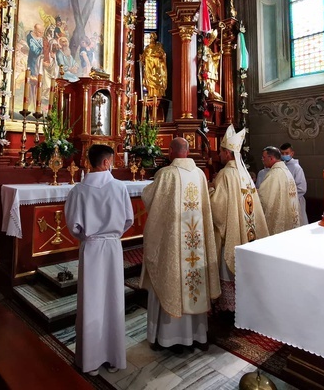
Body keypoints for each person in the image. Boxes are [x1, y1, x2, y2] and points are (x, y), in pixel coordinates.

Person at [140, 137, 220, 351]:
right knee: (195, 282)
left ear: (171, 152)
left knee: (171, 280)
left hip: (174, 245)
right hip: (197, 245)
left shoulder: (166, 174)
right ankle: (197, 335)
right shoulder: (200, 174)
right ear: (187, 151)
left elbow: (150, 199)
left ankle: (168, 338)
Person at [64, 144, 134, 376]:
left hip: (92, 247)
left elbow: (73, 224)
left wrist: (88, 237)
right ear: (106, 162)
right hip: (113, 247)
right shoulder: (119, 187)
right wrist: (113, 235)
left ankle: (91, 360)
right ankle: (114, 357)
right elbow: (128, 219)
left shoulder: (79, 190)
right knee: (114, 300)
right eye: (111, 161)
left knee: (91, 300)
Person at [210, 126, 269, 312]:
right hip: (247, 227)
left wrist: (211, 190)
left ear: (228, 153)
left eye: (220, 151)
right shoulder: (244, 173)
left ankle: (230, 307)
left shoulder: (225, 174)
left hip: (233, 230)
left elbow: (217, 207)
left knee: (228, 264)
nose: (219, 155)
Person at [258, 146, 300, 234]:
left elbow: (264, 198)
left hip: (279, 218)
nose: (262, 159)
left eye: (264, 157)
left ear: (271, 158)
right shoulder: (285, 171)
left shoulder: (274, 174)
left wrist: (253, 193)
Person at [279, 142, 308, 225]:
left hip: (296, 200)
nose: (284, 155)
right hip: (284, 201)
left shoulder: (297, 168)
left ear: (292, 153)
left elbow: (302, 188)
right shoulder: (281, 166)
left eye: (287, 153)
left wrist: (288, 196)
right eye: (282, 153)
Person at [141, 33, 168, 98]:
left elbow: (162, 54)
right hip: (149, 68)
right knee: (149, 82)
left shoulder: (158, 46)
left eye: (152, 37)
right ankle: (150, 93)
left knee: (158, 81)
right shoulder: (147, 47)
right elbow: (144, 57)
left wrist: (154, 56)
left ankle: (157, 94)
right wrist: (143, 58)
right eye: (150, 37)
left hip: (156, 67)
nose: (151, 39)